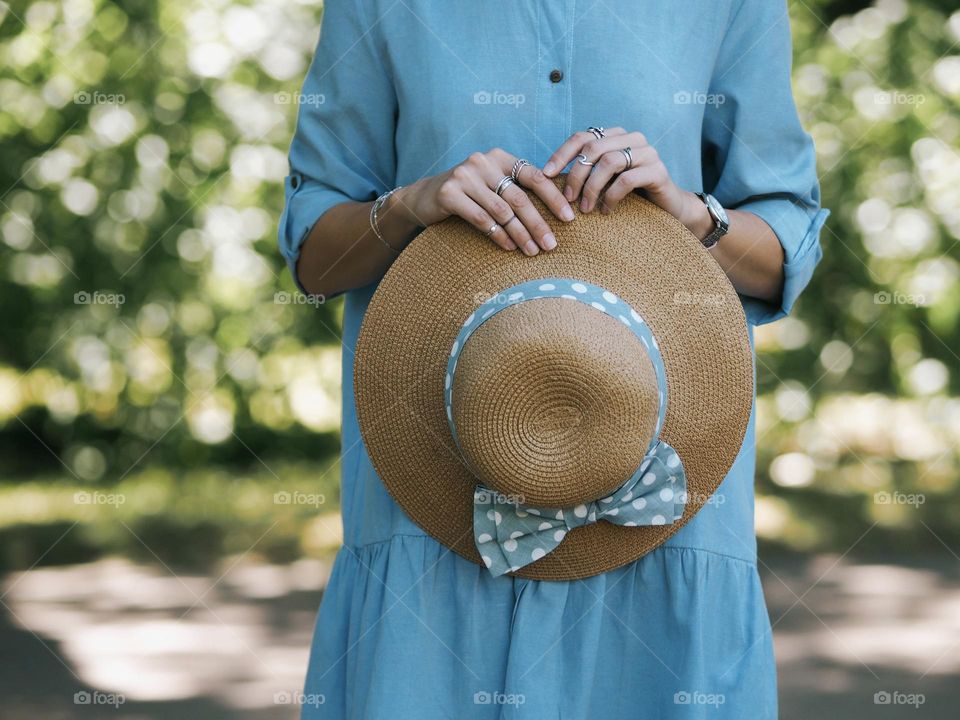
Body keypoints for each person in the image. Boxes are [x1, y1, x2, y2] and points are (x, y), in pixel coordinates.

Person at [278, 1, 828, 717]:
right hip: (431, 503)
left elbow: (782, 255)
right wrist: (410, 202)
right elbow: (316, 259)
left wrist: (694, 214)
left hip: (662, 515)